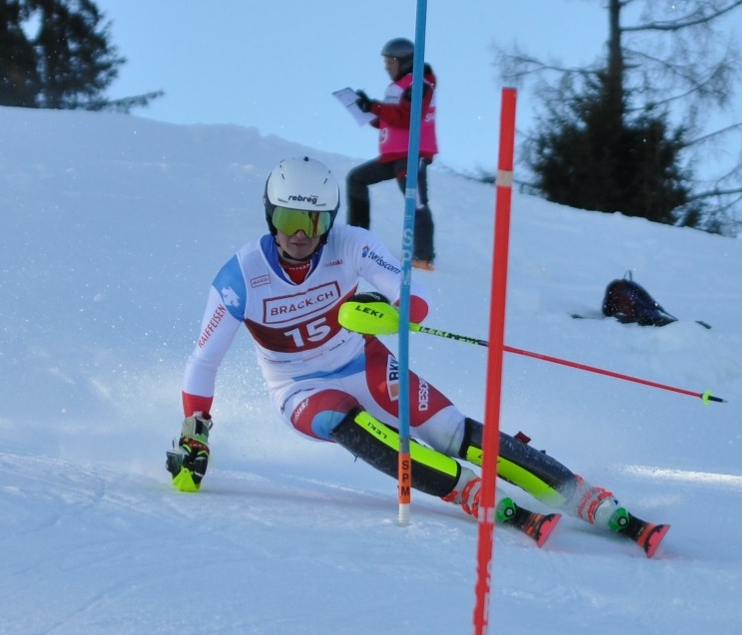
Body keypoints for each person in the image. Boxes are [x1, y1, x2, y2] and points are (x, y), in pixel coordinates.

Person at [168, 156, 669, 556]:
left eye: (315, 219)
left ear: (330, 219)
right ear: (270, 215)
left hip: (363, 362)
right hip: (299, 389)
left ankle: (579, 495)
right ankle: (464, 491)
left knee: (451, 430)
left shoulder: (351, 244)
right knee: (348, 420)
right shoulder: (241, 275)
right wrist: (197, 427)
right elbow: (203, 361)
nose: (301, 233)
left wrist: (390, 312)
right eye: (289, 218)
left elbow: (413, 299)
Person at [347, 37, 437, 271]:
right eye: (386, 62)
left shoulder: (420, 84)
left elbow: (408, 116)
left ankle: (423, 257)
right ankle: (357, 239)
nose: (387, 67)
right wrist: (367, 111)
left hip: (410, 154)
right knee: (356, 178)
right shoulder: (397, 86)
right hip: (393, 155)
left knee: (414, 200)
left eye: (391, 62)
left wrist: (375, 107)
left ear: (405, 62)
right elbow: (390, 120)